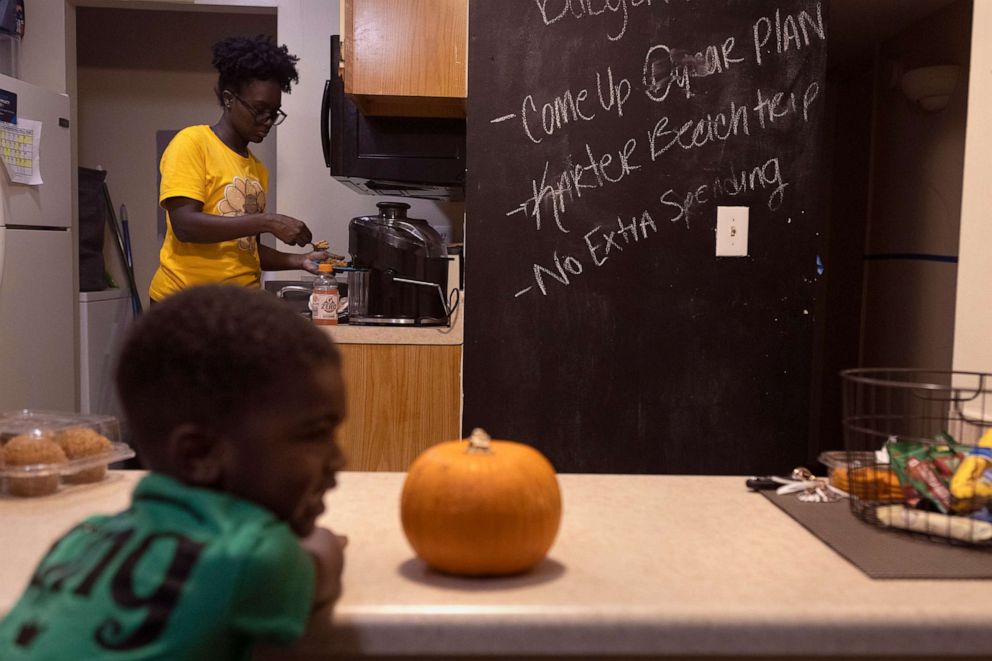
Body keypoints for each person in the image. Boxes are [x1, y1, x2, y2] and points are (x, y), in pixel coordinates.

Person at [0, 285, 348, 659]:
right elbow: (323, 562)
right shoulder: (253, 555)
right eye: (315, 434)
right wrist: (319, 544)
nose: (339, 459)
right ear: (199, 454)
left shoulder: (82, 538)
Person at [149, 35, 331, 303]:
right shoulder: (192, 143)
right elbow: (185, 225)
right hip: (186, 306)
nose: (268, 121)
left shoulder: (257, 169)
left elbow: (245, 248)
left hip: (239, 306)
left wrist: (299, 260)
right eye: (260, 109)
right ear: (229, 99)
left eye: (274, 112)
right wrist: (268, 221)